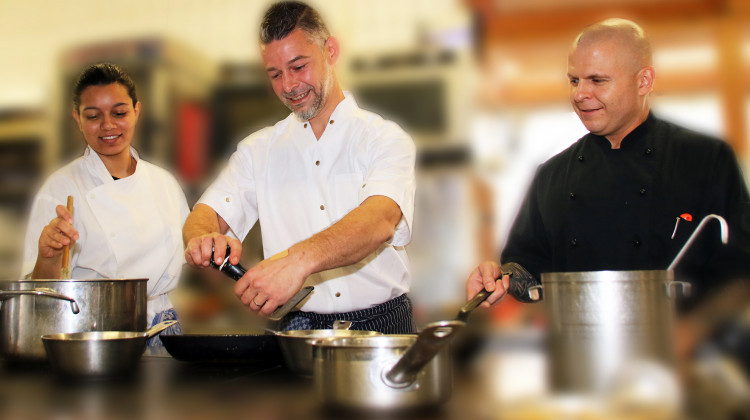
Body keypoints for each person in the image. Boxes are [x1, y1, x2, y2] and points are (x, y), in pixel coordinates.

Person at [466, 18, 750, 310]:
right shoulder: (552, 175)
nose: (580, 94)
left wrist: (694, 329)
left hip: (682, 337)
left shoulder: (705, 159)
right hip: (578, 335)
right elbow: (526, 267)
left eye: (597, 80)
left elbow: (741, 271)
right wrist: (499, 278)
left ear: (644, 81)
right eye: (574, 80)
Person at [182, 1, 416, 333]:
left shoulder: (384, 138)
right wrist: (203, 238)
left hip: (382, 325)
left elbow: (378, 222)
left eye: (299, 66)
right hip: (296, 330)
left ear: (330, 51)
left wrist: (297, 262)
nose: (288, 86)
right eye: (275, 74)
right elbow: (205, 213)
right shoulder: (257, 151)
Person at [22, 63, 188, 340]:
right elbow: (38, 295)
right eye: (93, 116)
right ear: (77, 119)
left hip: (164, 326)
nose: (108, 125)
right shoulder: (61, 188)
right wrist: (48, 256)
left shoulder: (164, 183)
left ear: (137, 111)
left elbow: (192, 255)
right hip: (96, 331)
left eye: (119, 113)